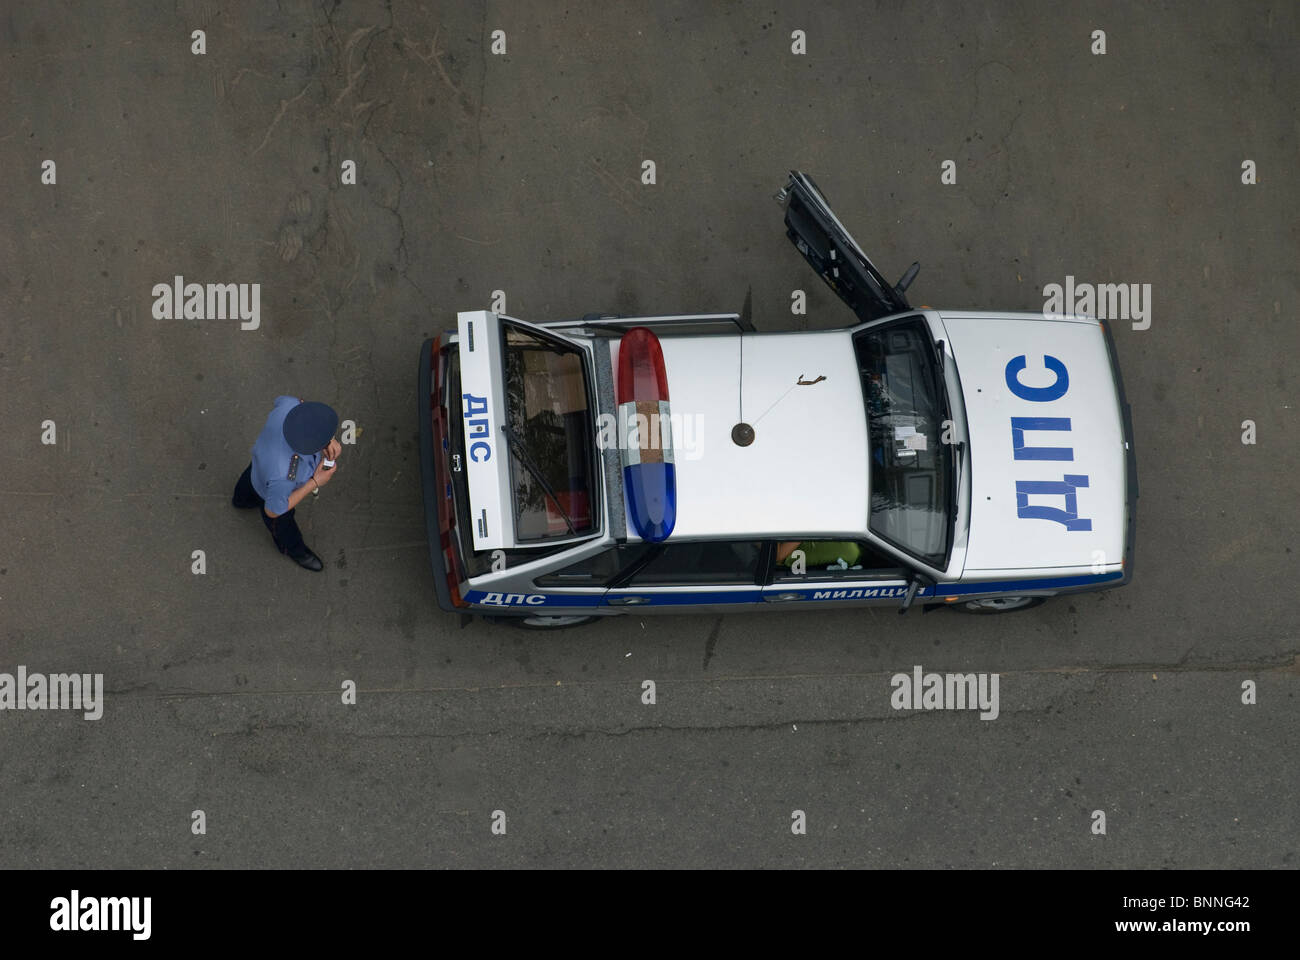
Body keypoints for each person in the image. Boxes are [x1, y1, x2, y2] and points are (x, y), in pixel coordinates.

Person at [231, 396, 341, 571]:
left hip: (257, 468)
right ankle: (294, 550)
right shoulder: (286, 475)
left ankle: (240, 501)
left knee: (247, 488)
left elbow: (295, 402)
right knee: (283, 527)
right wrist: (315, 482)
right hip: (273, 491)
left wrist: (328, 439)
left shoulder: (290, 405)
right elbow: (273, 510)